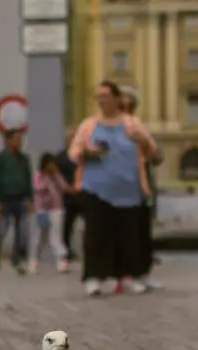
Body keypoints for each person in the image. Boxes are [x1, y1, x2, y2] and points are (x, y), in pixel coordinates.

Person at [69, 80, 159, 296]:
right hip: (96, 190)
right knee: (95, 236)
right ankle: (92, 278)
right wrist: (87, 153)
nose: (102, 100)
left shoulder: (133, 124)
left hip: (129, 192)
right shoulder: (89, 125)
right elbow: (73, 153)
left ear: (117, 99)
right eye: (98, 96)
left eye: (106, 96)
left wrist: (143, 142)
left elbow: (155, 154)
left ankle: (129, 276)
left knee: (129, 238)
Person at [119, 84, 163, 290]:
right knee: (125, 233)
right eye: (123, 101)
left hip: (143, 190)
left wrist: (147, 146)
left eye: (131, 102)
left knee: (143, 233)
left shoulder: (141, 128)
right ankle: (126, 274)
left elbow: (157, 157)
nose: (128, 105)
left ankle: (143, 273)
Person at [0, 129, 34, 274]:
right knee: (1, 229)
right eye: (16, 139)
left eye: (20, 140)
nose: (19, 142)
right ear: (7, 141)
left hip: (20, 199)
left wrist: (31, 199)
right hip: (5, 199)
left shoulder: (24, 159)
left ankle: (17, 258)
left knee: (22, 230)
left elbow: (28, 180)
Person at [29, 153, 71, 274]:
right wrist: (47, 182)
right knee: (39, 237)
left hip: (56, 209)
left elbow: (64, 187)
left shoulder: (57, 175)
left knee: (55, 236)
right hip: (41, 209)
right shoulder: (38, 174)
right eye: (50, 163)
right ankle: (34, 261)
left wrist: (56, 178)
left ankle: (62, 261)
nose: (52, 166)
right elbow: (37, 187)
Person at [54, 128, 82, 261]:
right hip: (66, 197)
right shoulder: (60, 157)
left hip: (82, 195)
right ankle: (65, 251)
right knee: (67, 225)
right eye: (72, 138)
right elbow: (55, 176)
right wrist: (65, 188)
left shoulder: (82, 156)